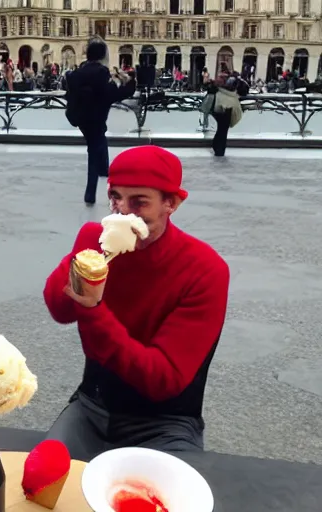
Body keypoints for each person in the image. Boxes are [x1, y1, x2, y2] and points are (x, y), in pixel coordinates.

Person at [43, 146, 230, 462]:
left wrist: (93, 309)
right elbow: (58, 309)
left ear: (171, 203)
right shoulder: (95, 238)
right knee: (42, 488)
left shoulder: (204, 270)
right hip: (94, 402)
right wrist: (88, 255)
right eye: (115, 197)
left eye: (139, 202)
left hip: (165, 421)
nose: (122, 212)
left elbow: (164, 379)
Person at [65, 39, 136, 205]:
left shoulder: (79, 71)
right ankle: (90, 193)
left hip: (80, 117)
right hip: (96, 116)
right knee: (94, 149)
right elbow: (110, 94)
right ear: (102, 55)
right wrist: (128, 84)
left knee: (98, 142)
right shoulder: (101, 72)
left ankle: (105, 170)